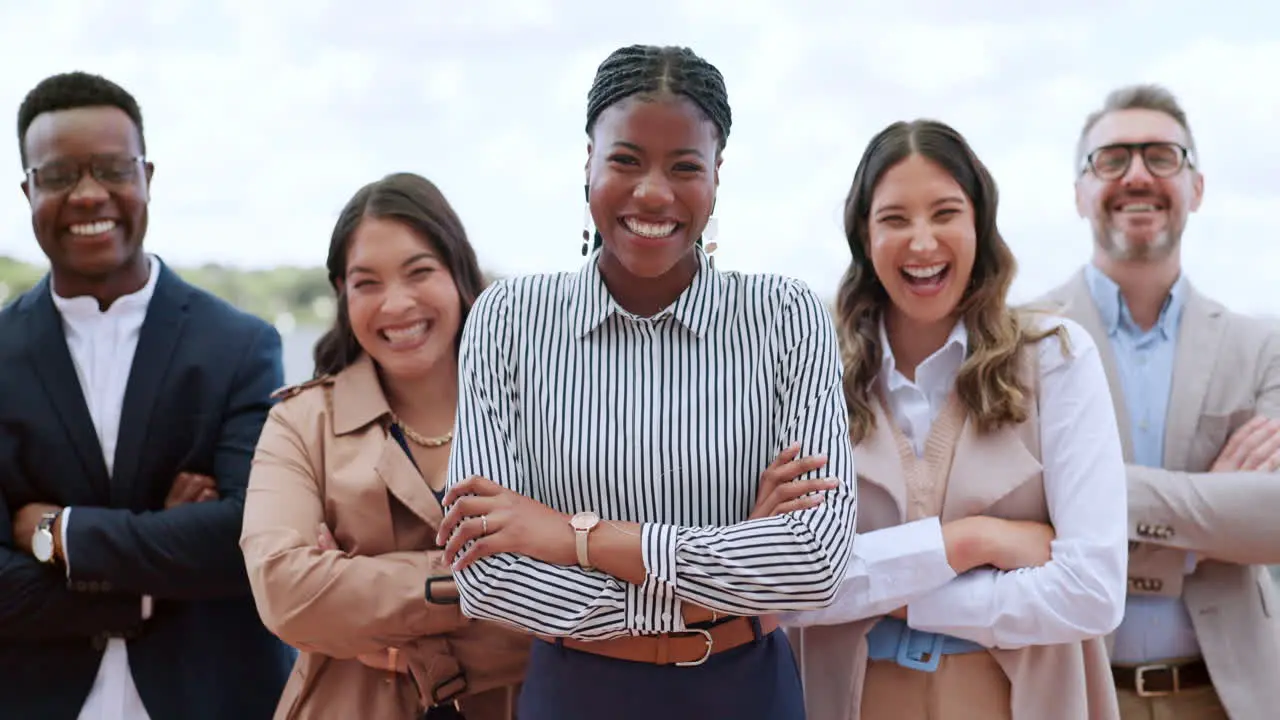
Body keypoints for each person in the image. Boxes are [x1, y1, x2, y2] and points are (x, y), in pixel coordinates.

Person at [434, 44, 858, 720]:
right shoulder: (507, 321)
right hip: (577, 694)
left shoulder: (786, 317)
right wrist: (726, 569)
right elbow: (486, 576)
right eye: (626, 160)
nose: (653, 191)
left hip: (743, 691)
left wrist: (576, 539)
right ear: (588, 166)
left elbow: (814, 560)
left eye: (685, 166)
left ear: (717, 177)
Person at [785, 119, 1129, 720]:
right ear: (864, 237)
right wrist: (971, 542)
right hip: (851, 698)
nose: (922, 242)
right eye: (894, 219)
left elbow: (1093, 592)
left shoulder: (1057, 357)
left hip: (1019, 701)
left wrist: (897, 596)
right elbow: (787, 588)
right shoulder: (807, 372)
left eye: (945, 212)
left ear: (979, 225)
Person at [0, 71, 293, 719]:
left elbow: (246, 541)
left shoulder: (240, 346)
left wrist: (54, 533)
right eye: (57, 176)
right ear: (27, 190)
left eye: (111, 169)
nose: (87, 194)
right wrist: (152, 573)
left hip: (211, 696)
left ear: (147, 178)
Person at [240, 172, 530, 720]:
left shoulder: (538, 412)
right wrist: (494, 580)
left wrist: (367, 609)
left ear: (459, 275)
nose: (396, 304)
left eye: (419, 272)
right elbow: (284, 592)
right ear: (342, 294)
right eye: (367, 282)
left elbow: (588, 596)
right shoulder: (301, 423)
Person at [1036, 84, 1280, 719]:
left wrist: (1089, 503)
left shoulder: (1262, 347)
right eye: (1111, 159)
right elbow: (1019, 512)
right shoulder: (1021, 338)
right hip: (1077, 693)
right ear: (1080, 192)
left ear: (1196, 186)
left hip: (1229, 698)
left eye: (1162, 157)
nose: (1137, 175)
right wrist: (1210, 515)